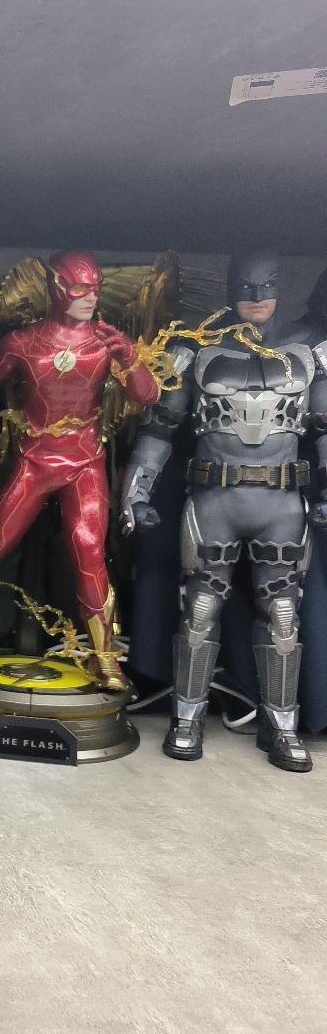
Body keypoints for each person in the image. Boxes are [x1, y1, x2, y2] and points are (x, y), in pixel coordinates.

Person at [121, 252, 327, 770]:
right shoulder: (194, 348)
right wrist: (136, 495)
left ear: (281, 286)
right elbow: (159, 426)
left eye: (267, 285)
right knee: (199, 610)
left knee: (283, 615)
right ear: (231, 287)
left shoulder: (309, 352)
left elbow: (325, 429)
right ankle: (186, 717)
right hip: (215, 500)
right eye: (246, 286)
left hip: (282, 503)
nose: (256, 297)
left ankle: (281, 725)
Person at [0, 250, 159, 689]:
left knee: (89, 551)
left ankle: (104, 658)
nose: (91, 297)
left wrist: (128, 357)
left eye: (96, 288)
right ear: (57, 287)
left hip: (84, 462)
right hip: (33, 461)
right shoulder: (22, 342)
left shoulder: (106, 340)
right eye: (81, 287)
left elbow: (147, 396)